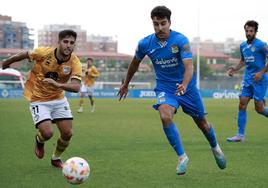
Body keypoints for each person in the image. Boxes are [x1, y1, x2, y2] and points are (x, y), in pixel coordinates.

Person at [117, 6, 226, 175]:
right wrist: (126, 84)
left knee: (202, 124)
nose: (159, 28)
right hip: (165, 88)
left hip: (187, 88)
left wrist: (184, 84)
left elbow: (189, 66)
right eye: (155, 24)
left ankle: (215, 147)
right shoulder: (145, 43)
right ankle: (182, 157)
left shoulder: (181, 40)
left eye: (163, 23)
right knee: (165, 116)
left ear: (170, 22)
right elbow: (134, 63)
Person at [1, 30, 82, 168]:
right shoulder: (44, 53)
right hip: (38, 98)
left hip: (58, 98)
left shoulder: (75, 62)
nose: (68, 45)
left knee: (68, 133)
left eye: (72, 43)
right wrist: (7, 62)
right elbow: (25, 54)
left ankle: (56, 158)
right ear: (59, 42)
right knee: (48, 132)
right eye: (65, 42)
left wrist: (57, 85)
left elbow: (76, 87)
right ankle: (39, 140)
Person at [226, 20, 268, 142]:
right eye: (247, 31)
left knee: (259, 109)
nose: (248, 33)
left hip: (259, 80)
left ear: (255, 32)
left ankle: (240, 134)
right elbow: (243, 61)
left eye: (251, 31)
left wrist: (261, 73)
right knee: (242, 104)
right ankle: (240, 135)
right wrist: (235, 69)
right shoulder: (243, 46)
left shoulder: (261, 45)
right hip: (248, 79)